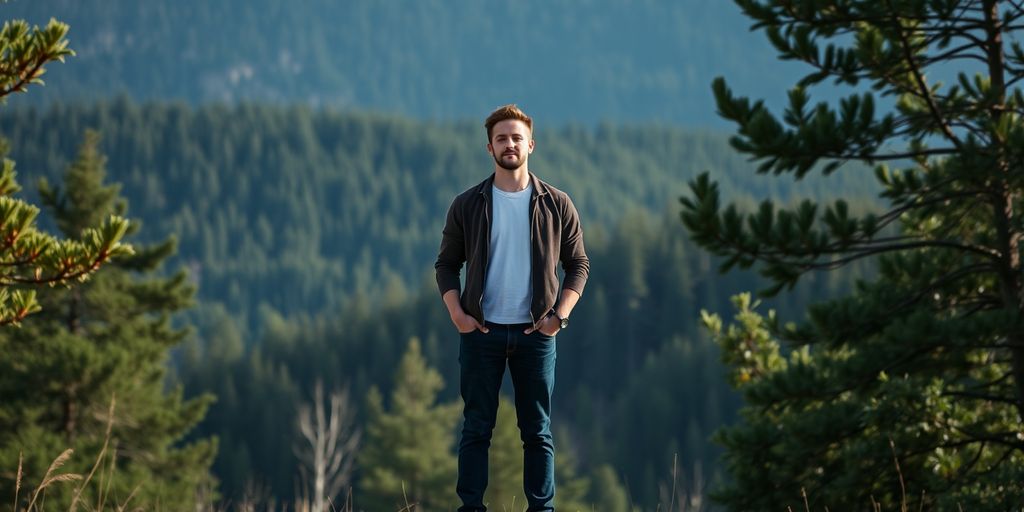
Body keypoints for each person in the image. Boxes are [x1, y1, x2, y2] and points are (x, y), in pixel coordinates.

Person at [435, 104, 590, 512]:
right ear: (489, 147)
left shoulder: (556, 203)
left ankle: (542, 510)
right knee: (475, 430)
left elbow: (579, 265)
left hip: (536, 334)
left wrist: (560, 316)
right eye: (501, 138)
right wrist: (457, 314)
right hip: (481, 333)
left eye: (516, 138)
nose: (509, 144)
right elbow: (447, 265)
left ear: (531, 145)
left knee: (537, 432)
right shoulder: (468, 204)